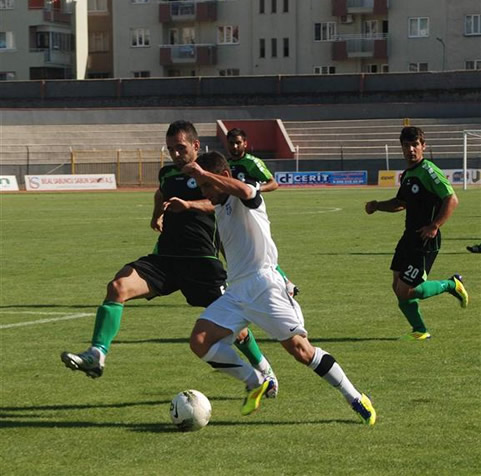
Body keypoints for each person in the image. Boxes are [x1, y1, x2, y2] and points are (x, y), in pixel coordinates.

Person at [61, 120, 278, 397]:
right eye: (170, 149)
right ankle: (97, 353)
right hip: (165, 259)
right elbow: (161, 192)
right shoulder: (167, 174)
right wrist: (157, 214)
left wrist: (188, 205)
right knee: (117, 288)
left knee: (235, 330)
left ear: (196, 146)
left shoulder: (209, 174)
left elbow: (217, 203)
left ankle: (264, 369)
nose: (175, 154)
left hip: (202, 260)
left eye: (180, 147)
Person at [182, 151, 376, 424]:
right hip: (237, 291)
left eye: (208, 186)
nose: (206, 193)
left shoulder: (246, 194)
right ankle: (256, 380)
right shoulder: (219, 208)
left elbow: (244, 189)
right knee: (199, 341)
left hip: (264, 287)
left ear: (223, 177)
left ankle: (354, 396)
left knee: (302, 351)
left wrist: (204, 175)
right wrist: (190, 205)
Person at [365, 126, 469, 341]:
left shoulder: (429, 170)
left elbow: (452, 199)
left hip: (425, 239)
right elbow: (400, 203)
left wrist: (435, 225)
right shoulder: (408, 175)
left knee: (406, 289)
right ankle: (420, 330)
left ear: (423, 146)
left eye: (415, 145)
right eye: (406, 146)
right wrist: (377, 206)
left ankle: (452, 285)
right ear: (401, 148)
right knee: (397, 286)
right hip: (408, 237)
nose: (411, 150)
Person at [225, 127, 298, 297]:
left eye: (238, 143)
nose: (235, 147)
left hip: (252, 214)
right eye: (231, 143)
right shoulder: (226, 164)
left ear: (245, 143)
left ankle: (285, 283)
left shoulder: (252, 163)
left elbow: (273, 183)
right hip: (233, 214)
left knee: (262, 252)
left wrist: (257, 190)